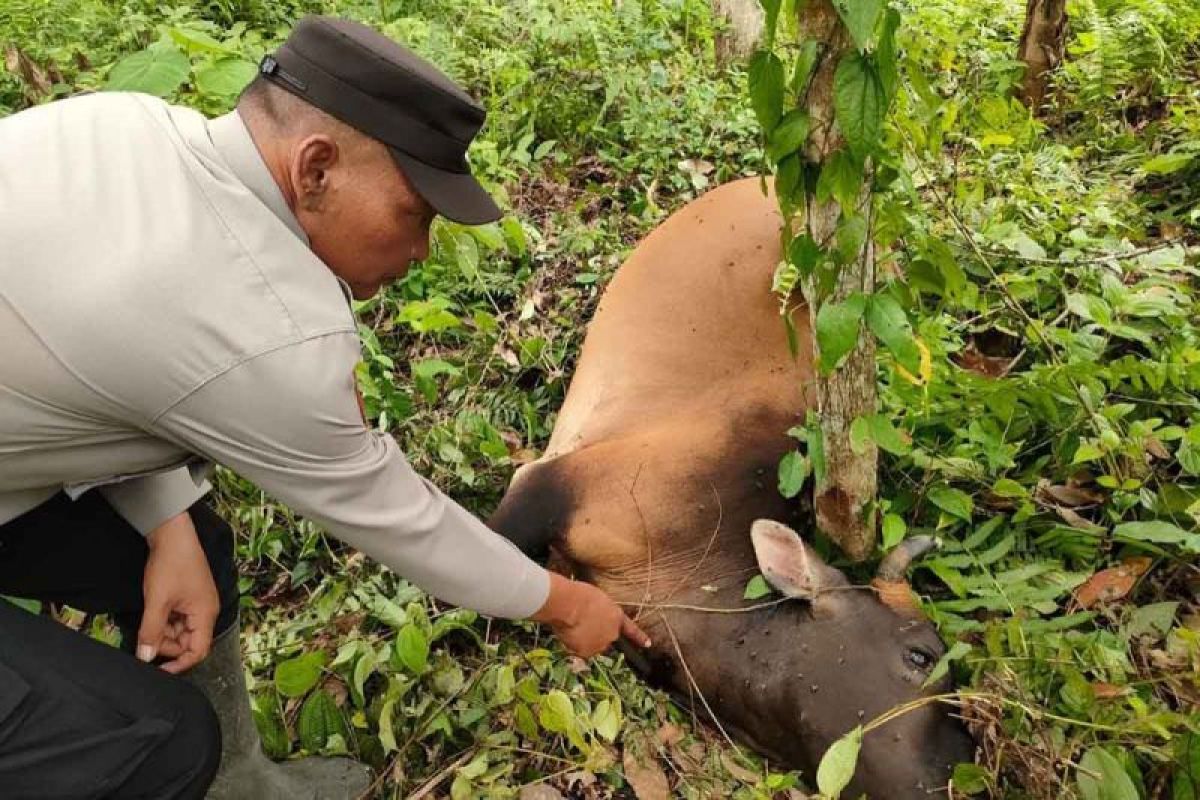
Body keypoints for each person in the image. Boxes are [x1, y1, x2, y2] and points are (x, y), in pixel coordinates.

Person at [0, 15, 650, 800]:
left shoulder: (122, 124)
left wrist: (167, 520)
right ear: (315, 168)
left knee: (190, 547)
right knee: (156, 743)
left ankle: (244, 781)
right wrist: (563, 601)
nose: (420, 254)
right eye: (417, 216)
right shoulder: (267, 327)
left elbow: (90, 362)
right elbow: (397, 514)